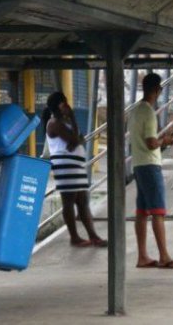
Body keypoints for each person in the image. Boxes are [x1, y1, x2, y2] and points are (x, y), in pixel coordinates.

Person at [128, 73, 173, 269]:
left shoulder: (135, 111)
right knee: (158, 211)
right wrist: (165, 141)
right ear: (158, 90)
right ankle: (164, 256)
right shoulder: (149, 112)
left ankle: (142, 255)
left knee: (142, 212)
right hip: (150, 165)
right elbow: (152, 143)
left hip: (138, 164)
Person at [42, 91, 107, 248]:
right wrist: (73, 120)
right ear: (59, 105)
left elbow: (78, 140)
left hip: (75, 165)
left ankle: (93, 235)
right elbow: (74, 139)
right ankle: (74, 237)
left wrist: (76, 138)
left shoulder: (64, 122)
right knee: (69, 201)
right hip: (65, 166)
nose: (68, 107)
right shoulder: (54, 123)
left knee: (83, 201)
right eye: (65, 104)